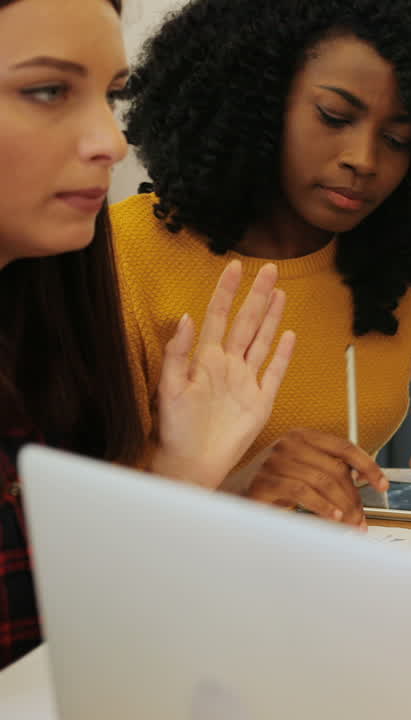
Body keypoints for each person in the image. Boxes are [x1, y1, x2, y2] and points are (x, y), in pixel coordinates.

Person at [113, 0, 411, 527]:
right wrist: (239, 490)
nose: (365, 159)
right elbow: (70, 510)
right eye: (335, 117)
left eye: (398, 140)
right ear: (257, 99)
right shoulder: (122, 259)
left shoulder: (401, 270)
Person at [0, 0, 294, 669]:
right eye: (48, 91)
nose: (112, 140)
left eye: (112, 95)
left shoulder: (45, 338)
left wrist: (180, 473)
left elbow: (69, 646)